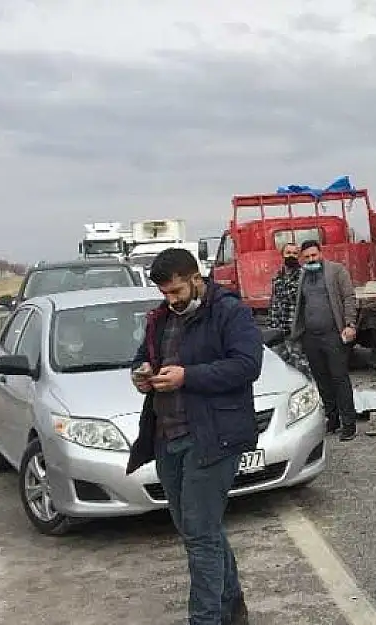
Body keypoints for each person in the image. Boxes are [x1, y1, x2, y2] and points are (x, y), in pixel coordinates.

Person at [126, 248, 262, 625]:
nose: (171, 301)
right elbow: (141, 357)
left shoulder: (229, 312)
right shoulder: (159, 319)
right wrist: (141, 374)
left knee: (200, 536)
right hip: (167, 438)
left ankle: (205, 619)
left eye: (176, 292)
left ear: (196, 278)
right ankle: (232, 606)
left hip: (212, 438)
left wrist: (188, 376)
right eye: (165, 294)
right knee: (199, 529)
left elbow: (248, 366)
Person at [268, 239, 360, 440]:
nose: (311, 259)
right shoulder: (303, 276)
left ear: (321, 253)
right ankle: (332, 419)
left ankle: (349, 425)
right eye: (307, 257)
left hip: (334, 335)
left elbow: (349, 298)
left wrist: (350, 325)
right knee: (321, 380)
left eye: (314, 255)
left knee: (339, 379)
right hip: (311, 337)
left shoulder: (336, 271)